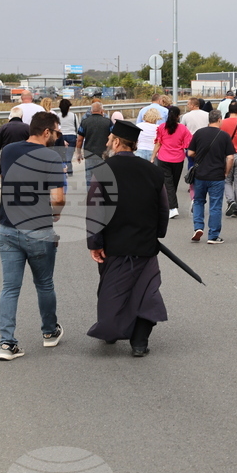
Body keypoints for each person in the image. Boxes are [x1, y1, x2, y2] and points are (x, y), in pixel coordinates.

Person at [85, 120, 169, 357]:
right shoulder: (153, 171)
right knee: (147, 292)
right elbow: (163, 209)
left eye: (110, 139)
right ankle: (139, 342)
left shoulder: (103, 170)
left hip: (115, 246)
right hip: (145, 245)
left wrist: (95, 243)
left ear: (118, 142)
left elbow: (96, 211)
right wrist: (156, 235)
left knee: (114, 293)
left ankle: (111, 331)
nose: (107, 142)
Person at [0, 111, 65, 360]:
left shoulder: (9, 151)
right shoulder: (51, 156)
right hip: (38, 228)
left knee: (10, 288)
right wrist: (55, 214)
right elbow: (58, 197)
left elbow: (6, 182)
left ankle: (7, 344)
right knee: (44, 283)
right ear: (46, 132)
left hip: (7, 226)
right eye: (56, 132)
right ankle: (49, 333)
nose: (57, 136)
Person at [187, 110, 235, 244]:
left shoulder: (199, 133)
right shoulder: (224, 136)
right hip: (217, 175)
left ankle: (198, 227)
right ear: (219, 119)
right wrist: (226, 171)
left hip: (200, 174)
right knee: (215, 205)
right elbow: (230, 157)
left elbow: (190, 152)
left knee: (198, 201)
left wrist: (200, 157)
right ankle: (213, 235)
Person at [153, 105, 192, 219]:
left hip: (164, 158)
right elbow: (188, 143)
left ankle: (171, 207)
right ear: (178, 116)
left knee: (168, 183)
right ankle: (171, 207)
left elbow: (158, 142)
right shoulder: (183, 129)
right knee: (173, 183)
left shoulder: (161, 127)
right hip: (178, 159)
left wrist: (153, 156)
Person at [75, 102, 112, 187]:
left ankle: (91, 197)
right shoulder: (108, 122)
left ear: (91, 111)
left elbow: (80, 140)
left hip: (89, 155)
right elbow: (112, 138)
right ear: (102, 111)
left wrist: (78, 153)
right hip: (104, 154)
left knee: (90, 179)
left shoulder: (85, 122)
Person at [0, 107, 31, 174]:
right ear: (22, 116)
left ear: (10, 116)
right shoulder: (27, 128)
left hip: (7, 157)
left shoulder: (3, 128)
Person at [53, 99, 78, 173]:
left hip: (61, 136)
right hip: (71, 135)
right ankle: (69, 169)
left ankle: (64, 168)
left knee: (61, 154)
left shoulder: (57, 116)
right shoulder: (73, 115)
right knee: (69, 154)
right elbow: (77, 126)